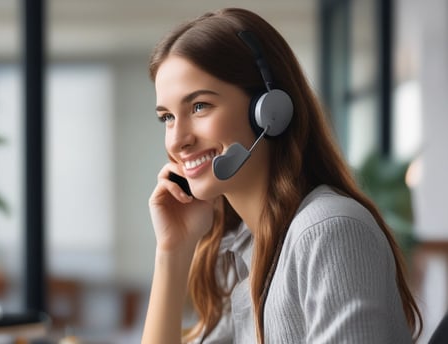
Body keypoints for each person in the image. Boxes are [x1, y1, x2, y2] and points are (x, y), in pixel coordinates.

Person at [141, 7, 422, 344]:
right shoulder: (242, 251)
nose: (177, 140)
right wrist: (172, 251)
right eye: (167, 117)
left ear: (269, 110)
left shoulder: (327, 231)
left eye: (199, 106)